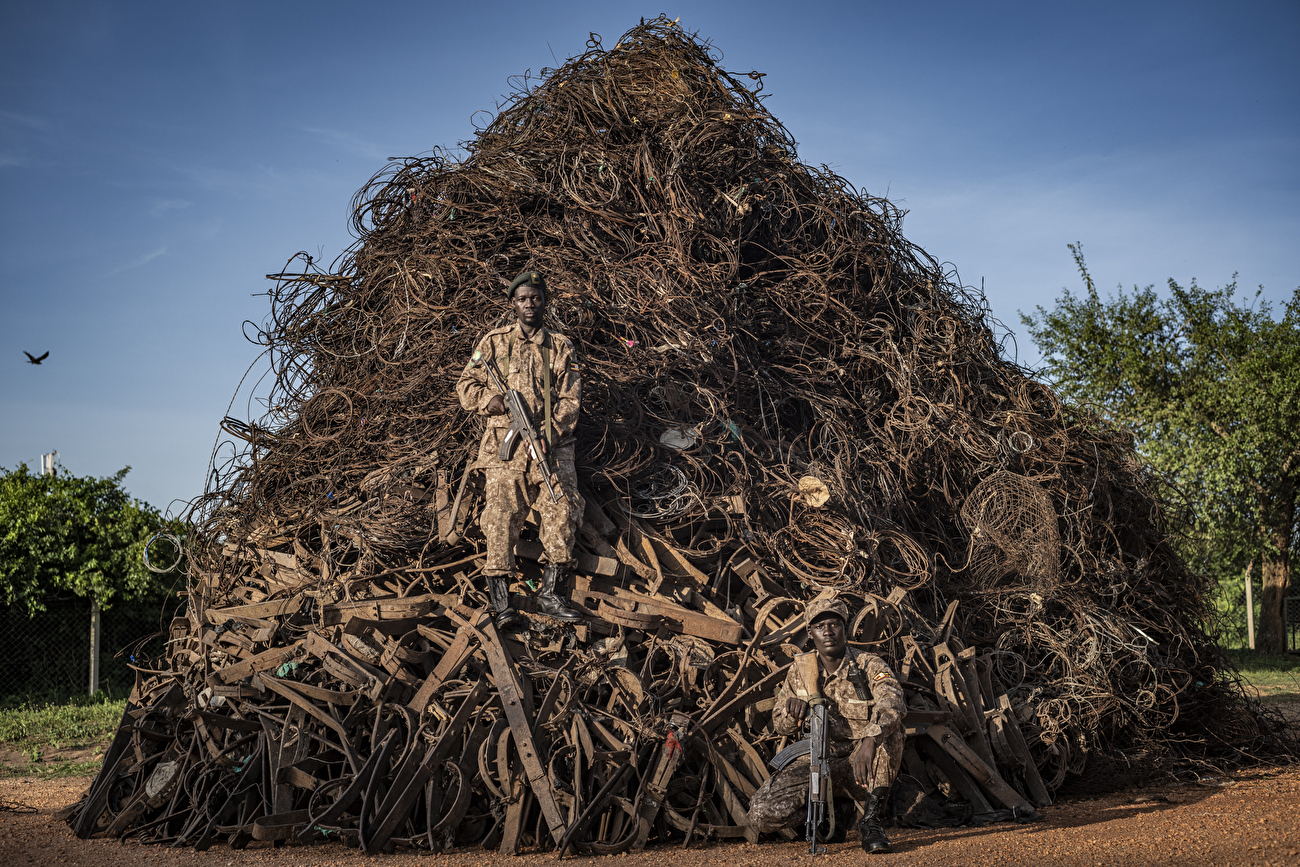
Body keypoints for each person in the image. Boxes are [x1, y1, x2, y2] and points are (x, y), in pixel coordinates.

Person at [456, 270, 585, 628]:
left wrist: (550, 433)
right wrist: (490, 400)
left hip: (552, 447)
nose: (530, 304)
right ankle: (501, 602)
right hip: (505, 447)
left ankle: (551, 595)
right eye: (523, 299)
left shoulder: (560, 346)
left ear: (545, 301)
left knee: (564, 509)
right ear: (513, 303)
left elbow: (571, 399)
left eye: (536, 298)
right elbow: (465, 386)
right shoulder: (494, 342)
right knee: (499, 518)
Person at [746, 595, 906, 853]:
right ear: (810, 632)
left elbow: (893, 701)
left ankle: (871, 822)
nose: (828, 632)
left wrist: (869, 741)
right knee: (761, 815)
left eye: (834, 624)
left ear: (844, 627)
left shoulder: (867, 664)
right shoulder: (800, 670)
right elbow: (780, 725)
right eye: (820, 627)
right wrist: (792, 713)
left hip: (860, 762)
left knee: (891, 732)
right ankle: (831, 814)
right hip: (818, 759)